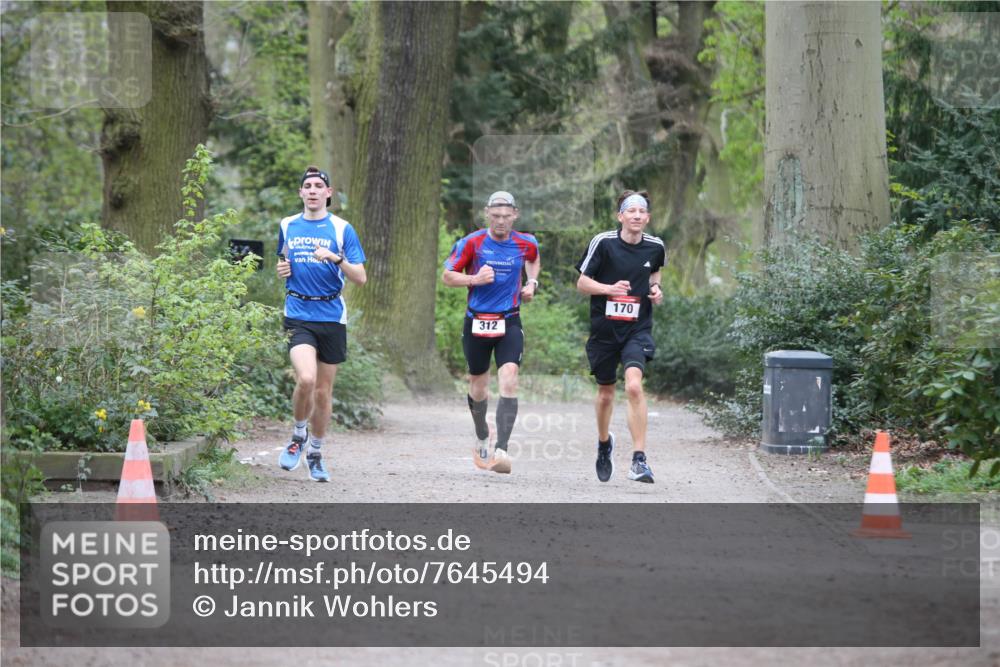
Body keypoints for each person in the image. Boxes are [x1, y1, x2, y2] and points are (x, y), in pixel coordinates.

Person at [275, 166, 367, 482]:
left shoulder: (342, 230)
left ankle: (315, 451)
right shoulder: (287, 225)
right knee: (306, 379)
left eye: (318, 186)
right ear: (301, 193)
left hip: (331, 316)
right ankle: (298, 435)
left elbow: (361, 277)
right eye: (307, 186)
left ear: (328, 194)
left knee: (324, 393)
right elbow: (283, 259)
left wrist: (335, 258)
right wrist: (282, 269)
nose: (312, 190)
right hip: (298, 312)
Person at [442, 191, 540, 474]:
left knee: (509, 378)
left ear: (515, 215)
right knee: (478, 387)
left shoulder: (526, 242)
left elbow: (533, 259)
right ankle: (483, 434)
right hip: (476, 321)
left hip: (509, 320)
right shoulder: (471, 243)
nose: (500, 222)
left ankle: (502, 450)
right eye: (495, 216)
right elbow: (447, 275)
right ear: (487, 214)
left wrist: (532, 282)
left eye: (506, 217)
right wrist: (474, 279)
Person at [576, 190, 664, 484]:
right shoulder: (603, 243)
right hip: (604, 331)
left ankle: (639, 460)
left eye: (642, 212)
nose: (637, 215)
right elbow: (582, 283)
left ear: (647, 218)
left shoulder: (655, 247)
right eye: (631, 211)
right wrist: (608, 289)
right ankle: (604, 444)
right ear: (621, 216)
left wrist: (655, 290)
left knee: (635, 387)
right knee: (605, 394)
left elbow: (654, 277)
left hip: (637, 330)